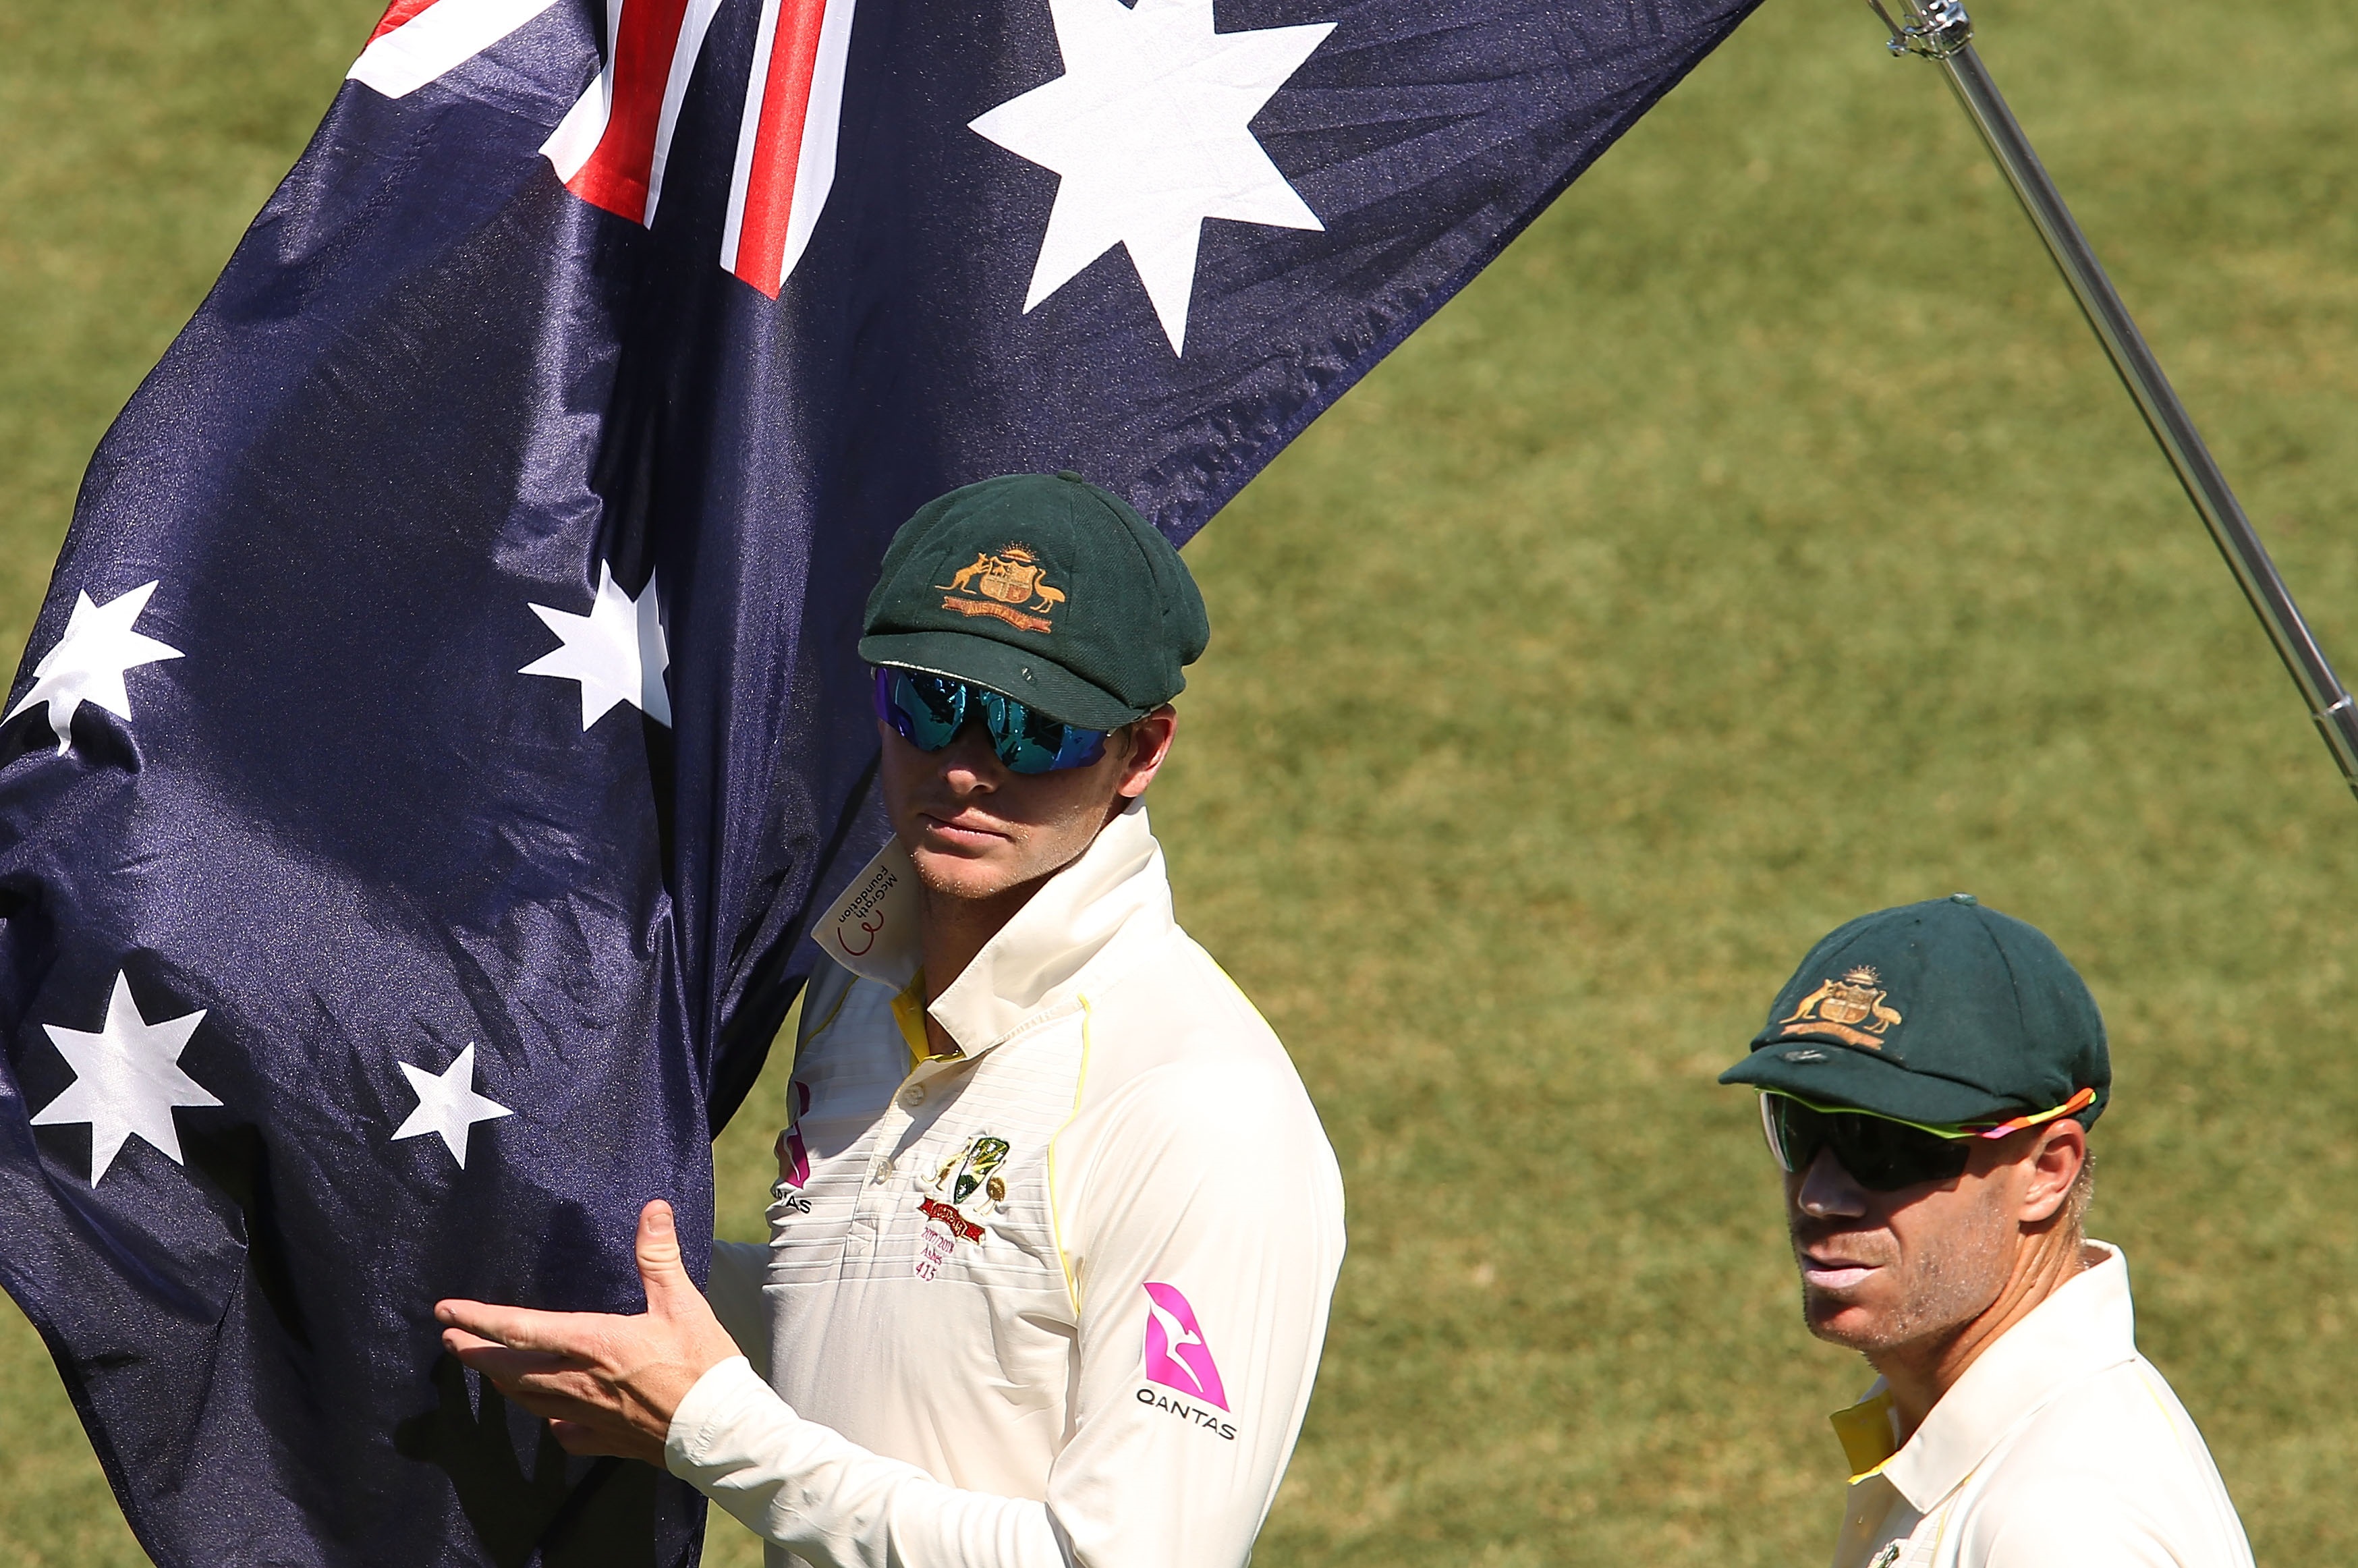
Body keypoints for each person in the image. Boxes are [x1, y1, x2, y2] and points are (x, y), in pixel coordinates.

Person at [436, 471, 1347, 1568]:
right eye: (930, 702)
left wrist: (714, 1426)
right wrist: (583, 1253)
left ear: (1141, 751)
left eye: (1033, 728)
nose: (967, 766)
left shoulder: (1203, 1114)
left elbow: (1125, 1558)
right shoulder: (857, 989)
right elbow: (895, 1336)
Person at [1719, 894, 2253, 1568]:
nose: (1820, 1196)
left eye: (1883, 1143)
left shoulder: (2061, 1527)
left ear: (2045, 1170)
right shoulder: (1948, 1424)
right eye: (1799, 1126)